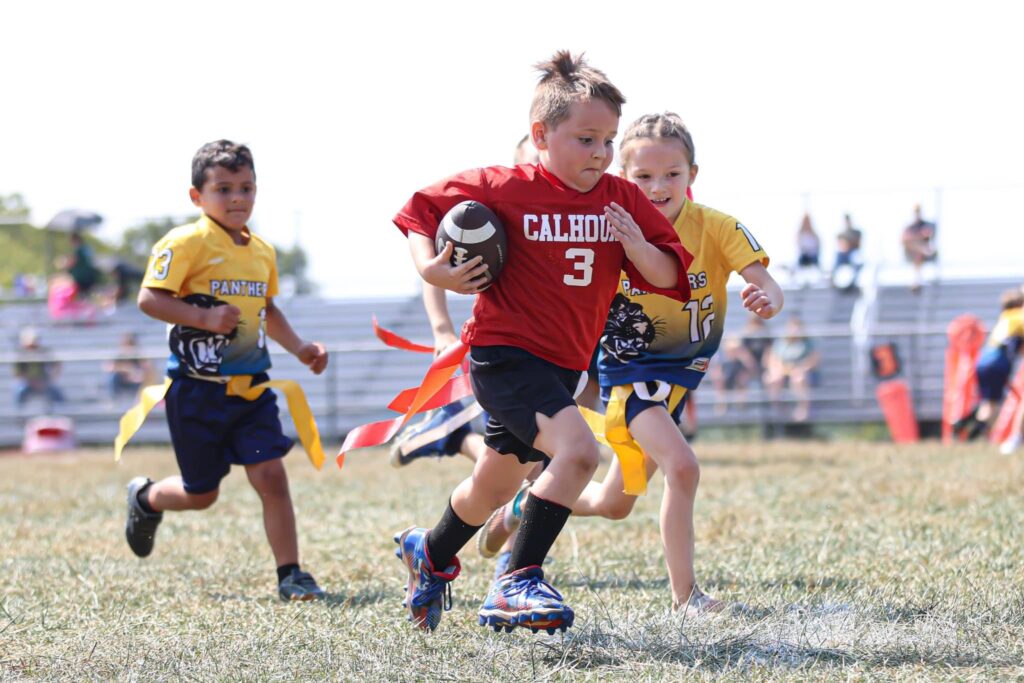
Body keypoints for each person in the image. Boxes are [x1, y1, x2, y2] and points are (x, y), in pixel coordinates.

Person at [390, 51, 691, 634]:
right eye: (586, 139)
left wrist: (636, 246)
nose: (600, 153)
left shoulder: (622, 199)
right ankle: (518, 579)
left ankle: (429, 549)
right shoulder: (504, 186)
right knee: (578, 453)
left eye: (608, 141)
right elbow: (418, 211)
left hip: (563, 367)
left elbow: (666, 274)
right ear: (541, 135)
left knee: (494, 485)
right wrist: (431, 268)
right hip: (503, 355)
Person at [507, 112, 782, 612]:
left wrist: (767, 299)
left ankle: (528, 503)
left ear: (692, 174)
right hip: (631, 377)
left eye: (672, 174)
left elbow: (767, 283)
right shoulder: (608, 228)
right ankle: (686, 598)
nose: (658, 187)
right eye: (644, 176)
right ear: (623, 177)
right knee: (684, 467)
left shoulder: (717, 227)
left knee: (613, 504)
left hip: (676, 384)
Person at [124, 140, 329, 601]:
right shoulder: (185, 242)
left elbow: (267, 310)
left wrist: (300, 348)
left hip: (252, 392)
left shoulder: (262, 252)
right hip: (196, 392)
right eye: (223, 189)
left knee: (271, 476)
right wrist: (203, 317)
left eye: (246, 188)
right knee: (202, 494)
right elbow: (149, 298)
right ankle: (146, 497)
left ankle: (291, 574)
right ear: (196, 196)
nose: (237, 198)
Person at [954, 288, 1024, 440]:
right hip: (997, 362)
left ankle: (962, 423)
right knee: (993, 405)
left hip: (984, 360)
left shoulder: (1005, 317)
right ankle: (972, 437)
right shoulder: (1017, 317)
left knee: (987, 401)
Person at [764, 316, 820, 422]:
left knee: (799, 379)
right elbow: (773, 358)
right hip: (783, 371)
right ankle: (777, 408)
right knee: (772, 379)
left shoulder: (807, 342)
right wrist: (779, 369)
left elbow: (814, 359)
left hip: (801, 371)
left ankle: (803, 408)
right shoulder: (781, 342)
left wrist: (801, 368)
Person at [13, 327, 65, 410]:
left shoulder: (44, 352)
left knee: (57, 394)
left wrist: (50, 379)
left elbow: (57, 365)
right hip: (27, 383)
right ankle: (18, 413)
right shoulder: (20, 355)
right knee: (19, 391)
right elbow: (18, 374)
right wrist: (31, 382)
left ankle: (62, 412)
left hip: (44, 382)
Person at [104, 332, 152, 400]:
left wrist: (135, 373)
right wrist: (126, 369)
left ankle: (139, 400)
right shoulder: (119, 356)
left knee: (141, 378)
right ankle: (114, 399)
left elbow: (147, 368)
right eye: (125, 344)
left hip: (136, 382)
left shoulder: (138, 356)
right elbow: (108, 367)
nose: (127, 348)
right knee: (113, 377)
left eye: (130, 344)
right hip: (121, 380)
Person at [902, 204, 937, 291]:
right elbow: (904, 239)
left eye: (918, 211)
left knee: (919, 252)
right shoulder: (910, 227)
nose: (917, 214)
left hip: (923, 253)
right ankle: (916, 280)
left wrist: (914, 237)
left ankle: (916, 281)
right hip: (913, 252)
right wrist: (918, 237)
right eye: (916, 212)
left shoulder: (925, 224)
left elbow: (927, 234)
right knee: (918, 250)